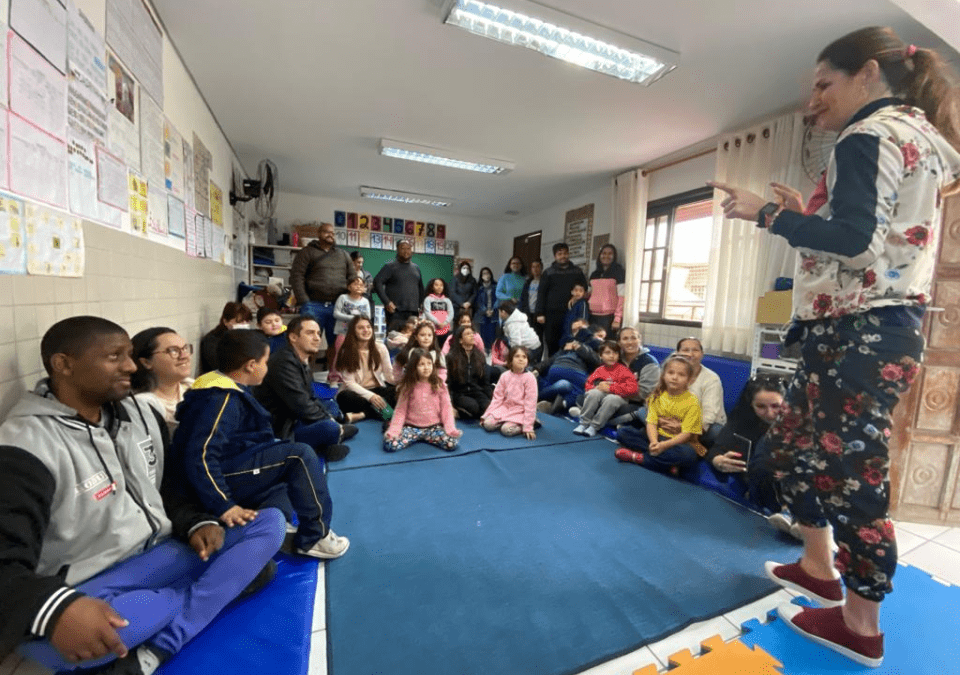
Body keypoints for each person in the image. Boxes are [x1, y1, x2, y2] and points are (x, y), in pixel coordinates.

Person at [708, 27, 960, 667]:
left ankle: (862, 620)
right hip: (852, 330)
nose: (811, 102)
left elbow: (854, 242)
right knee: (790, 446)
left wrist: (765, 213)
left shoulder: (869, 134)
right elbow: (869, 239)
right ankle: (818, 567)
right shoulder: (921, 138)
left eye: (823, 85)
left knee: (854, 477)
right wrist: (804, 219)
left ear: (868, 74)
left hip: (864, 334)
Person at [0, 317, 284, 675]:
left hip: (163, 552)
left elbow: (168, 488)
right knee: (140, 615)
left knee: (269, 524)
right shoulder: (24, 444)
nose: (131, 366)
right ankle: (205, 595)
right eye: (114, 356)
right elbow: (7, 561)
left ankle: (157, 647)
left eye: (131, 355)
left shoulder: (140, 414)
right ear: (64, 365)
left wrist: (197, 520)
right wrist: (57, 610)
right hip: (92, 586)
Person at [173, 329, 349, 560]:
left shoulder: (223, 387)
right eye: (265, 362)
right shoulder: (221, 399)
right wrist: (223, 504)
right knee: (299, 457)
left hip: (235, 459)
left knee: (284, 464)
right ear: (250, 365)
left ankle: (276, 524)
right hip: (219, 477)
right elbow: (202, 455)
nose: (268, 368)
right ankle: (315, 536)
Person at [254, 316, 357, 462]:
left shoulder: (380, 349)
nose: (317, 338)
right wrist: (331, 421)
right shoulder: (284, 362)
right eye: (310, 333)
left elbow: (310, 398)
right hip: (283, 426)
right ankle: (330, 438)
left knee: (332, 406)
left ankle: (338, 429)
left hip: (297, 415)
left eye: (318, 334)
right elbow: (302, 405)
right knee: (332, 422)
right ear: (293, 337)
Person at [706, 378, 787, 517]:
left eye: (776, 406)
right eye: (761, 406)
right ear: (751, 405)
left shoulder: (798, 422)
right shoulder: (742, 419)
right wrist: (718, 461)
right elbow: (716, 449)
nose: (769, 413)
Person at [615, 353, 705, 475]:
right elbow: (651, 423)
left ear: (690, 380)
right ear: (663, 375)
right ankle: (665, 464)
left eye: (681, 375)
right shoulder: (656, 396)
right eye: (671, 373)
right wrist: (654, 442)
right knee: (623, 433)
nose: (674, 377)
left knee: (688, 455)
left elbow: (686, 434)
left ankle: (639, 458)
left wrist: (664, 446)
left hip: (677, 443)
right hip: (657, 437)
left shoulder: (692, 402)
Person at [289, 222, 353, 361]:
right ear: (319, 234)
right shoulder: (307, 252)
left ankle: (333, 376)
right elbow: (296, 276)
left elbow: (352, 278)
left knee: (337, 344)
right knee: (307, 343)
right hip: (313, 304)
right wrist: (304, 301)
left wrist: (350, 300)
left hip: (339, 306)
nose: (330, 235)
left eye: (332, 233)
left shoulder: (343, 255)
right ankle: (304, 376)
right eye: (326, 232)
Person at [383, 348, 462, 453]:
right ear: (414, 367)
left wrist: (450, 429)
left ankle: (429, 437)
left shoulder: (439, 384)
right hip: (412, 427)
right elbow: (400, 411)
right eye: (421, 364)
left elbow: (446, 409)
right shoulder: (408, 386)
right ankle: (391, 427)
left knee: (452, 443)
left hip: (433, 427)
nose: (426, 368)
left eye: (429, 363)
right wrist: (393, 431)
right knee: (390, 445)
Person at [132, 327, 195, 432]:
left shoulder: (195, 388)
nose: (184, 356)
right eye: (173, 351)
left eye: (185, 348)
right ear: (146, 362)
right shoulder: (141, 405)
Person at [534, 321, 604, 415]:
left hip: (556, 370)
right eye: (600, 336)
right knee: (586, 391)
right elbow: (598, 363)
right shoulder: (594, 347)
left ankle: (545, 400)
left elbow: (551, 360)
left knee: (562, 385)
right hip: (576, 372)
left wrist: (536, 369)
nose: (601, 339)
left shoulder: (568, 345)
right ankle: (565, 403)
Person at [335, 316, 397, 420]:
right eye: (361, 328)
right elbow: (350, 383)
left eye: (368, 327)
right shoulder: (346, 351)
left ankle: (362, 415)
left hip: (377, 390)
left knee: (399, 392)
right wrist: (370, 397)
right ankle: (386, 412)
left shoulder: (380, 348)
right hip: (356, 393)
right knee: (344, 397)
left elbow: (389, 376)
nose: (366, 330)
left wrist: (403, 382)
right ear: (353, 331)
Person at [573, 341, 638, 437]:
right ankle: (583, 423)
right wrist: (597, 387)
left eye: (615, 353)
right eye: (608, 353)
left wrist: (611, 388)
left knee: (611, 399)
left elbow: (633, 388)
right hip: (601, 393)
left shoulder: (624, 370)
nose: (612, 356)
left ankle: (594, 426)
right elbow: (588, 385)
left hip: (618, 396)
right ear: (600, 356)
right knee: (593, 394)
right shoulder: (599, 370)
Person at [536, 242, 587, 356]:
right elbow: (541, 293)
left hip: (571, 311)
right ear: (555, 256)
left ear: (568, 254)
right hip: (552, 313)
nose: (563, 256)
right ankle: (552, 366)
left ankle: (566, 365)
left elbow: (584, 288)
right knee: (551, 341)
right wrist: (540, 313)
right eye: (560, 254)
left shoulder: (577, 271)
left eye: (565, 253)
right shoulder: (548, 272)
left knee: (569, 339)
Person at [605, 327, 661, 425]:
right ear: (619, 342)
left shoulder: (649, 363)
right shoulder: (615, 359)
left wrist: (613, 388)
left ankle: (606, 421)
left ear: (640, 340)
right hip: (614, 398)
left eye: (634, 338)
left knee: (620, 408)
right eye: (625, 339)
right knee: (589, 396)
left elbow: (644, 393)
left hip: (638, 404)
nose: (630, 342)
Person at [676, 337, 726, 446]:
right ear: (677, 353)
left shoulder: (711, 379)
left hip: (704, 426)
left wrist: (684, 431)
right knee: (644, 413)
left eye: (695, 350)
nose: (690, 354)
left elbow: (709, 416)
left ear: (702, 354)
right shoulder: (672, 374)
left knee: (717, 432)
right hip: (677, 421)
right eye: (685, 350)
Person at [481, 346, 538, 439]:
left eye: (524, 357)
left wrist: (528, 427)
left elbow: (530, 404)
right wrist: (487, 414)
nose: (521, 359)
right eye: (517, 356)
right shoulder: (504, 376)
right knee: (487, 424)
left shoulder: (530, 378)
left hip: (520, 411)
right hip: (505, 408)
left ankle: (527, 422)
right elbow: (497, 398)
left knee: (506, 430)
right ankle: (506, 421)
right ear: (511, 360)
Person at [328, 274, 372, 383]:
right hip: (343, 331)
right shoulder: (343, 298)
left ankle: (354, 376)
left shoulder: (365, 301)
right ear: (349, 287)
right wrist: (353, 318)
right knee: (339, 353)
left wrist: (358, 321)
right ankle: (335, 375)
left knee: (356, 354)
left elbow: (368, 317)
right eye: (355, 284)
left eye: (361, 285)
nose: (359, 287)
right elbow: (336, 313)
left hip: (358, 334)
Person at [446, 325, 493, 420]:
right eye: (467, 334)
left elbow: (484, 382)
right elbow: (448, 383)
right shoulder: (451, 357)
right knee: (473, 407)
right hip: (460, 393)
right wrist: (449, 405)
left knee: (488, 407)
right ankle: (460, 411)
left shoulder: (480, 356)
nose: (472, 336)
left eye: (472, 333)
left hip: (476, 391)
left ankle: (471, 413)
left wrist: (494, 399)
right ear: (460, 340)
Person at [374, 239, 424, 325]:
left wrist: (421, 304)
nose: (406, 251)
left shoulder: (416, 268)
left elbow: (420, 288)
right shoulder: (390, 267)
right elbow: (377, 282)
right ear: (397, 250)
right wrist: (387, 302)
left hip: (413, 312)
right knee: (394, 337)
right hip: (395, 311)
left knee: (412, 337)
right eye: (402, 248)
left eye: (408, 248)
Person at [199, 301, 251, 374]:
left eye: (247, 322)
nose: (244, 325)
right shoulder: (212, 340)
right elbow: (220, 367)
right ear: (226, 321)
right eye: (239, 322)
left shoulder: (245, 338)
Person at [588, 244, 626, 334]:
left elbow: (622, 297)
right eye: (603, 253)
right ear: (600, 255)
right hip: (592, 316)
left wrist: (617, 319)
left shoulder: (619, 272)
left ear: (614, 256)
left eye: (610, 254)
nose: (606, 256)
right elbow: (589, 294)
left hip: (609, 318)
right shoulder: (594, 274)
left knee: (607, 346)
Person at [518, 259, 544, 345]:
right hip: (528, 314)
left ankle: (538, 358)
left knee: (538, 339)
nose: (535, 269)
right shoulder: (528, 282)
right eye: (533, 267)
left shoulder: (545, 282)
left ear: (541, 268)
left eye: (538, 267)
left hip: (539, 315)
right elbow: (523, 299)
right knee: (527, 339)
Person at [423, 277, 454, 346]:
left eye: (441, 285)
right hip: (432, 327)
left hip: (445, 328)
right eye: (436, 285)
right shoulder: (428, 299)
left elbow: (451, 313)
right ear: (432, 287)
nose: (439, 287)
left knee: (444, 346)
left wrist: (445, 322)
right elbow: (427, 312)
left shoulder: (447, 300)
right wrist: (437, 322)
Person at [474, 266, 498, 350]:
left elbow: (498, 299)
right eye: (484, 273)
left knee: (492, 335)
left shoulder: (496, 286)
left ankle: (491, 353)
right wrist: (485, 311)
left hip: (493, 314)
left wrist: (493, 310)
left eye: (487, 273)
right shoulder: (478, 288)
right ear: (481, 276)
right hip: (482, 315)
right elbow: (477, 301)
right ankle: (483, 352)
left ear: (490, 275)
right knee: (483, 335)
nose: (486, 275)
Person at [559, 282, 589, 346]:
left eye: (581, 291)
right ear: (572, 292)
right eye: (576, 290)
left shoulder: (582, 304)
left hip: (574, 336)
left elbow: (582, 321)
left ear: (584, 293)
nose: (578, 293)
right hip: (566, 333)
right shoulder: (570, 303)